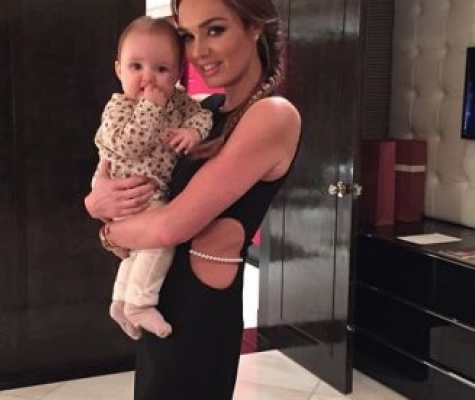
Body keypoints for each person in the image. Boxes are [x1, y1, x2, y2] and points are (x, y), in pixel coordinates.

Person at [85, 0, 301, 398]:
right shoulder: (207, 111)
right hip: (161, 294)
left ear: (253, 26)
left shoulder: (272, 115)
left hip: (198, 310)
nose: (199, 51)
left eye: (215, 30)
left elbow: (171, 225)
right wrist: (99, 204)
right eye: (187, 36)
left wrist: (107, 228)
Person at [95, 16, 213, 340]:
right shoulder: (119, 107)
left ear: (176, 74)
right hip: (130, 193)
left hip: (150, 193)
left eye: (161, 69)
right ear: (118, 70)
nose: (148, 78)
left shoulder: (179, 102)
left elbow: (203, 115)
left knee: (138, 252)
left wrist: (193, 131)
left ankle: (121, 301)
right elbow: (130, 146)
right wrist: (150, 106)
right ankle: (140, 304)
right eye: (136, 67)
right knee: (159, 246)